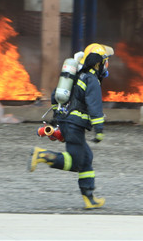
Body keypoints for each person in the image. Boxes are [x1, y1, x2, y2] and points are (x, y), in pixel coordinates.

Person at [28, 43, 114, 209]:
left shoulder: (76, 76)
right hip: (75, 125)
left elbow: (55, 96)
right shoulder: (91, 79)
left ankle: (89, 198)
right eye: (105, 61)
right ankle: (42, 155)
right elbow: (94, 105)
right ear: (98, 62)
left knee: (86, 158)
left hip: (67, 122)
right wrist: (99, 129)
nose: (106, 65)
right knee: (76, 162)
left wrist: (57, 117)